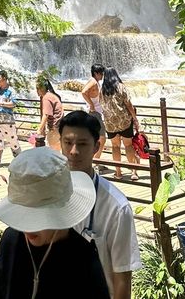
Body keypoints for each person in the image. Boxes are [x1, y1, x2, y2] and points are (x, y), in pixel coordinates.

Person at [0, 147, 110, 299]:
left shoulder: (82, 257)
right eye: (23, 215)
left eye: (35, 216)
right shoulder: (11, 239)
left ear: (58, 211)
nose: (27, 226)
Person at [60, 110, 141, 299]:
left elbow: (122, 277)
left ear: (96, 146)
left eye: (82, 144)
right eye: (68, 143)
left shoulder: (116, 207)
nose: (73, 151)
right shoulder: (47, 194)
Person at [100, 67, 139, 181]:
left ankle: (118, 172)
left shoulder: (102, 90)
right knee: (128, 145)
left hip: (110, 123)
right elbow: (128, 103)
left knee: (115, 146)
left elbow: (101, 104)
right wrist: (134, 118)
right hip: (124, 121)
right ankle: (133, 172)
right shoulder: (121, 87)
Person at [0, 70, 21, 163]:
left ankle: (19, 159)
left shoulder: (11, 91)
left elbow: (13, 103)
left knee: (12, 139)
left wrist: (1, 103)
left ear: (4, 79)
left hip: (7, 118)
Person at [81, 63, 107, 161]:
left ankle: (94, 160)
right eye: (101, 73)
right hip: (95, 113)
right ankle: (96, 161)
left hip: (95, 113)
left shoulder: (93, 81)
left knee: (96, 138)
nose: (102, 75)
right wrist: (91, 105)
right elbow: (83, 92)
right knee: (102, 138)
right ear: (96, 73)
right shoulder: (93, 82)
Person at [36, 75, 63, 151]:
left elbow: (46, 114)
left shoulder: (46, 98)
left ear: (40, 88)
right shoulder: (52, 95)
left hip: (54, 128)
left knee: (53, 152)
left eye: (37, 88)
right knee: (57, 150)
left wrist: (39, 129)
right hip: (59, 126)